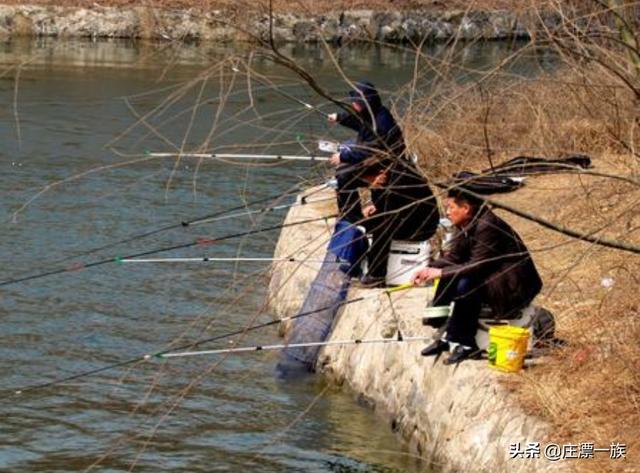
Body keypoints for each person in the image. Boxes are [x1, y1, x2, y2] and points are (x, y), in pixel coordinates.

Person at [411, 189, 542, 364]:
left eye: (450, 208)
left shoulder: (487, 225)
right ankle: (446, 334)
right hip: (494, 275)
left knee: (465, 283)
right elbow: (454, 257)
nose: (447, 212)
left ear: (465, 208)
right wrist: (428, 269)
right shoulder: (467, 224)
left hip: (514, 284)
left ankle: (466, 344)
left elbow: (479, 264)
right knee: (449, 275)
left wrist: (440, 272)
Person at [327, 80, 406, 224]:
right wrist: (339, 117)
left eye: (356, 102)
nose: (353, 104)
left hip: (385, 164)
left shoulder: (380, 123)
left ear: (365, 103)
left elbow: (371, 151)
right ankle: (353, 213)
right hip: (377, 158)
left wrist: (343, 156)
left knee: (344, 176)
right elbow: (359, 122)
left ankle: (351, 218)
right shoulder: (375, 112)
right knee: (345, 158)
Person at [358, 158, 440, 286]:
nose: (372, 185)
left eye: (372, 181)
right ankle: (363, 263)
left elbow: (389, 213)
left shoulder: (400, 180)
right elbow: (383, 207)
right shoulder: (390, 175)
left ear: (382, 172)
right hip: (405, 217)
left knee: (381, 229)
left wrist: (377, 191)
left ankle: (377, 275)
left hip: (422, 224)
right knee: (364, 223)